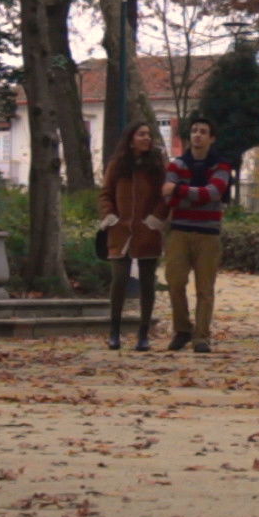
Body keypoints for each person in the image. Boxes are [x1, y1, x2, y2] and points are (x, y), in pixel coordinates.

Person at [161, 116, 231, 353]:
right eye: (194, 131)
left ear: (212, 138)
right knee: (175, 281)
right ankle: (182, 329)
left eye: (203, 131)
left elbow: (213, 192)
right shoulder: (177, 164)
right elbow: (166, 193)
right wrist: (191, 193)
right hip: (179, 231)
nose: (197, 135)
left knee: (205, 288)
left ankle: (201, 337)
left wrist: (181, 190)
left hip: (208, 234)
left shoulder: (221, 166)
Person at [97, 121, 168, 351]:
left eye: (149, 134)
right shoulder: (117, 165)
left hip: (147, 231)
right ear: (131, 139)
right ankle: (114, 332)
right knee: (119, 281)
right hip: (120, 231)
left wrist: (155, 219)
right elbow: (106, 194)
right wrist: (110, 217)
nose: (147, 138)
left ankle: (143, 334)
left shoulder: (157, 165)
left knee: (147, 284)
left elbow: (164, 197)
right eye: (141, 134)